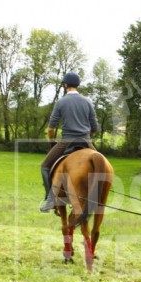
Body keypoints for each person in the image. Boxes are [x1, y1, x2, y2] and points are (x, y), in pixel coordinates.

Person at [40, 72, 98, 212]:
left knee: (45, 166)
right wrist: (87, 137)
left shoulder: (61, 102)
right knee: (102, 166)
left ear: (65, 85)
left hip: (67, 141)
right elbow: (94, 127)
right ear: (77, 85)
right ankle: (99, 196)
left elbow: (51, 129)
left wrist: (52, 142)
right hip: (86, 140)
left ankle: (50, 199)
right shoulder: (87, 102)